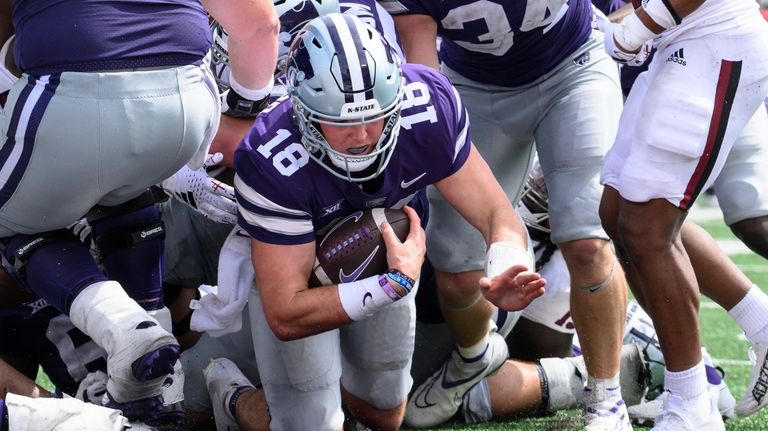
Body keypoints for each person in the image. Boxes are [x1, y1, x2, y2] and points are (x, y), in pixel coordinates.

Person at [233, 13, 545, 430]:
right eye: (342, 123)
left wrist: (505, 264)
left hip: (388, 260)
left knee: (383, 411)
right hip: (301, 273)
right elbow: (286, 313)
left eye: (374, 116)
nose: (362, 136)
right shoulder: (271, 160)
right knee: (309, 423)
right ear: (304, 114)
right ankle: (232, 397)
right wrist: (391, 285)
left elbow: (496, 215)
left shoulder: (429, 107)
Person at [0, 0, 278, 421]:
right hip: (188, 102)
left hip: (70, 104)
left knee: (13, 223)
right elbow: (260, 23)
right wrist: (242, 104)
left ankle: (128, 338)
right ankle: (156, 379)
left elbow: (31, 52)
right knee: (120, 189)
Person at [386, 1, 631, 429]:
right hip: (474, 84)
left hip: (573, 62)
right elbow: (423, 81)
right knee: (458, 270)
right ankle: (474, 353)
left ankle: (607, 397)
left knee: (588, 239)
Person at [595, 0, 768, 427]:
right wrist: (628, 22)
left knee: (648, 229)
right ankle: (757, 328)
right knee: (617, 214)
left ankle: (692, 406)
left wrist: (637, 28)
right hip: (678, 42)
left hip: (713, 39)